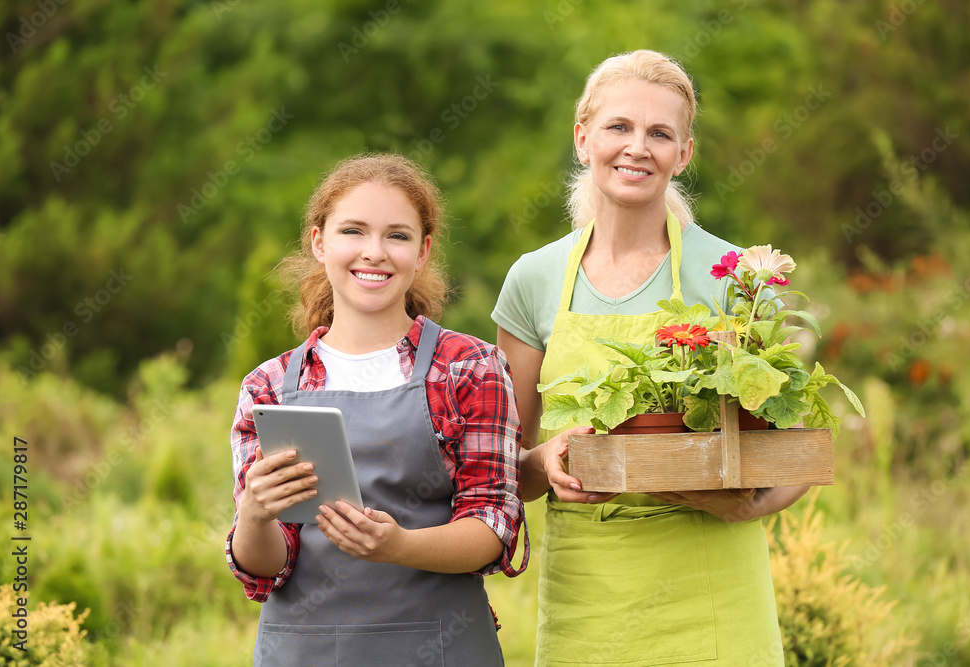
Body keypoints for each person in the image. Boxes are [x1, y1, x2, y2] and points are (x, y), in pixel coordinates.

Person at [492, 50, 807, 666]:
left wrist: (745, 503)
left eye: (660, 133)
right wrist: (547, 463)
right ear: (583, 138)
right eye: (619, 127)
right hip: (592, 598)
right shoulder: (534, 279)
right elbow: (504, 471)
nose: (638, 147)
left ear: (683, 154)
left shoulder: (733, 276)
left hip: (714, 595)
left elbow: (795, 447)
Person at [226, 153, 525, 666]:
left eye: (398, 236)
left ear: (423, 250)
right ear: (319, 242)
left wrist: (399, 547)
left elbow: (493, 523)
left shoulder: (469, 367)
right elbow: (267, 565)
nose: (374, 253)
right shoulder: (269, 386)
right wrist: (254, 515)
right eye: (353, 231)